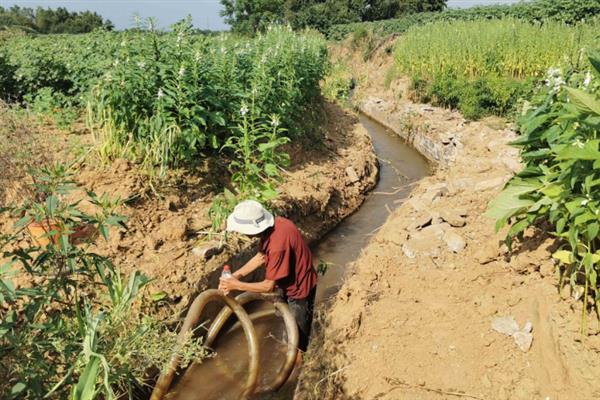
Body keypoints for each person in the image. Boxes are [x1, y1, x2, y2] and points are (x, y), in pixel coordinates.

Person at [218, 200, 317, 353]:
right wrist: (236, 275)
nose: (241, 233)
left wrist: (236, 285)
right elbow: (261, 257)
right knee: (284, 320)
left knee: (295, 343)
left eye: (241, 230)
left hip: (299, 291)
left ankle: (296, 369)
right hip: (285, 283)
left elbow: (267, 286)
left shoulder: (277, 246)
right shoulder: (278, 224)